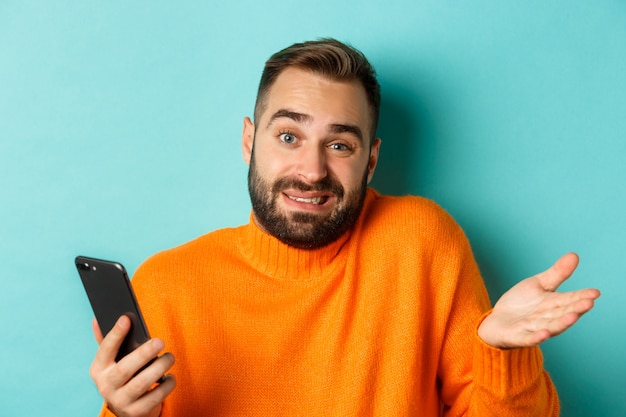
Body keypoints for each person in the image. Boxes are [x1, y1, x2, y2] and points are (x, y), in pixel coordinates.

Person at [89, 38, 600, 417]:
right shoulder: (165, 284)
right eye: (288, 135)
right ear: (249, 141)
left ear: (371, 160)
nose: (311, 171)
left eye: (340, 145)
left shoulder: (420, 241)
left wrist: (503, 355)